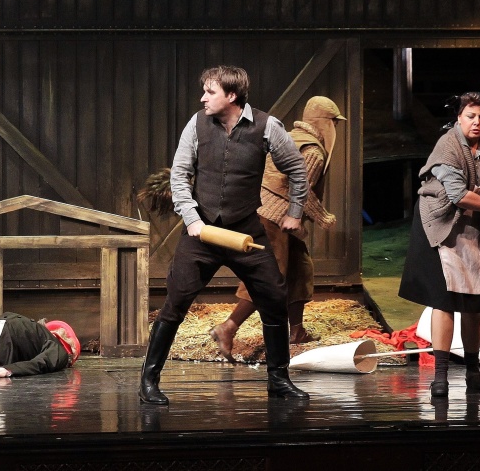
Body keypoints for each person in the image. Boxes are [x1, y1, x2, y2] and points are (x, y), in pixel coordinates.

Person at [139, 65, 311, 405]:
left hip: (245, 229)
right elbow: (179, 175)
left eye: (210, 92)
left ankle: (278, 380)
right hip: (201, 232)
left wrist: (295, 212)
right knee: (175, 302)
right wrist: (192, 219)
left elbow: (296, 168)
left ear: (231, 95)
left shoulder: (267, 126)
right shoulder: (197, 124)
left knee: (274, 299)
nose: (203, 98)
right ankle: (148, 382)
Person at [398, 91, 480, 398]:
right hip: (440, 224)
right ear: (459, 117)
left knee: (475, 301)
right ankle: (441, 376)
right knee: (444, 301)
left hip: (474, 225)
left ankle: (473, 370)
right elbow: (458, 195)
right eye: (470, 116)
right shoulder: (447, 146)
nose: (477, 122)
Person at [210, 96, 344, 357]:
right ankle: (228, 327)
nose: (335, 128)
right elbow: (301, 191)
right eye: (334, 123)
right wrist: (323, 217)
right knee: (267, 276)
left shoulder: (288, 137)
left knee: (300, 268)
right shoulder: (313, 151)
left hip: (275, 217)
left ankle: (297, 331)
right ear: (325, 122)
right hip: (273, 219)